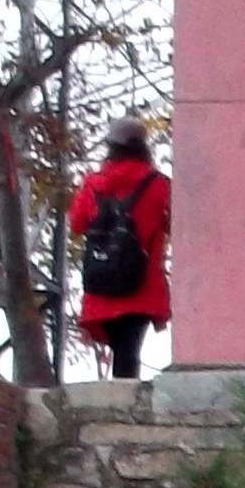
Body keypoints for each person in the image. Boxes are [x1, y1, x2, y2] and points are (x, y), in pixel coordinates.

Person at [67, 117, 170, 380]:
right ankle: (127, 404)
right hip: (141, 284)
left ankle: (120, 397)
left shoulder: (92, 184)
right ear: (143, 148)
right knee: (129, 350)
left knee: (120, 350)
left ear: (111, 147)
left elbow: (77, 224)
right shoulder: (158, 184)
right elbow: (176, 225)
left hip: (103, 281)